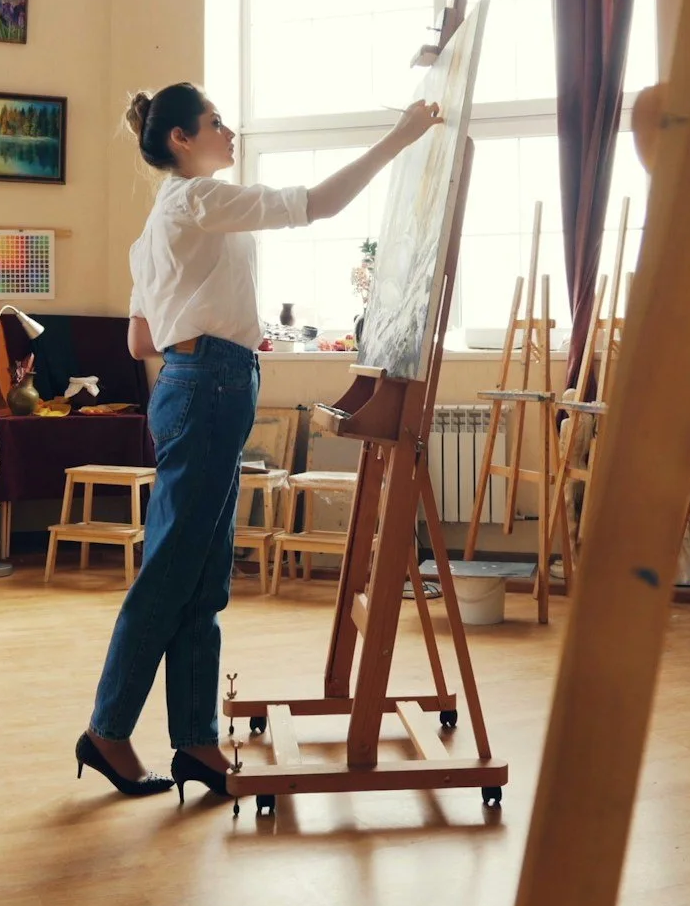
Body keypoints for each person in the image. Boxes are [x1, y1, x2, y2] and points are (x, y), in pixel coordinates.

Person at [76, 82, 441, 799]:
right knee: (176, 571)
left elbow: (139, 337)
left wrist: (213, 324)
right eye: (216, 122)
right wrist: (400, 138)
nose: (229, 130)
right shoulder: (198, 201)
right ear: (181, 139)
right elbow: (316, 204)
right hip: (209, 386)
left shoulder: (160, 224)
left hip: (195, 384)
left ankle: (196, 743)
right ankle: (108, 729)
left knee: (203, 579)